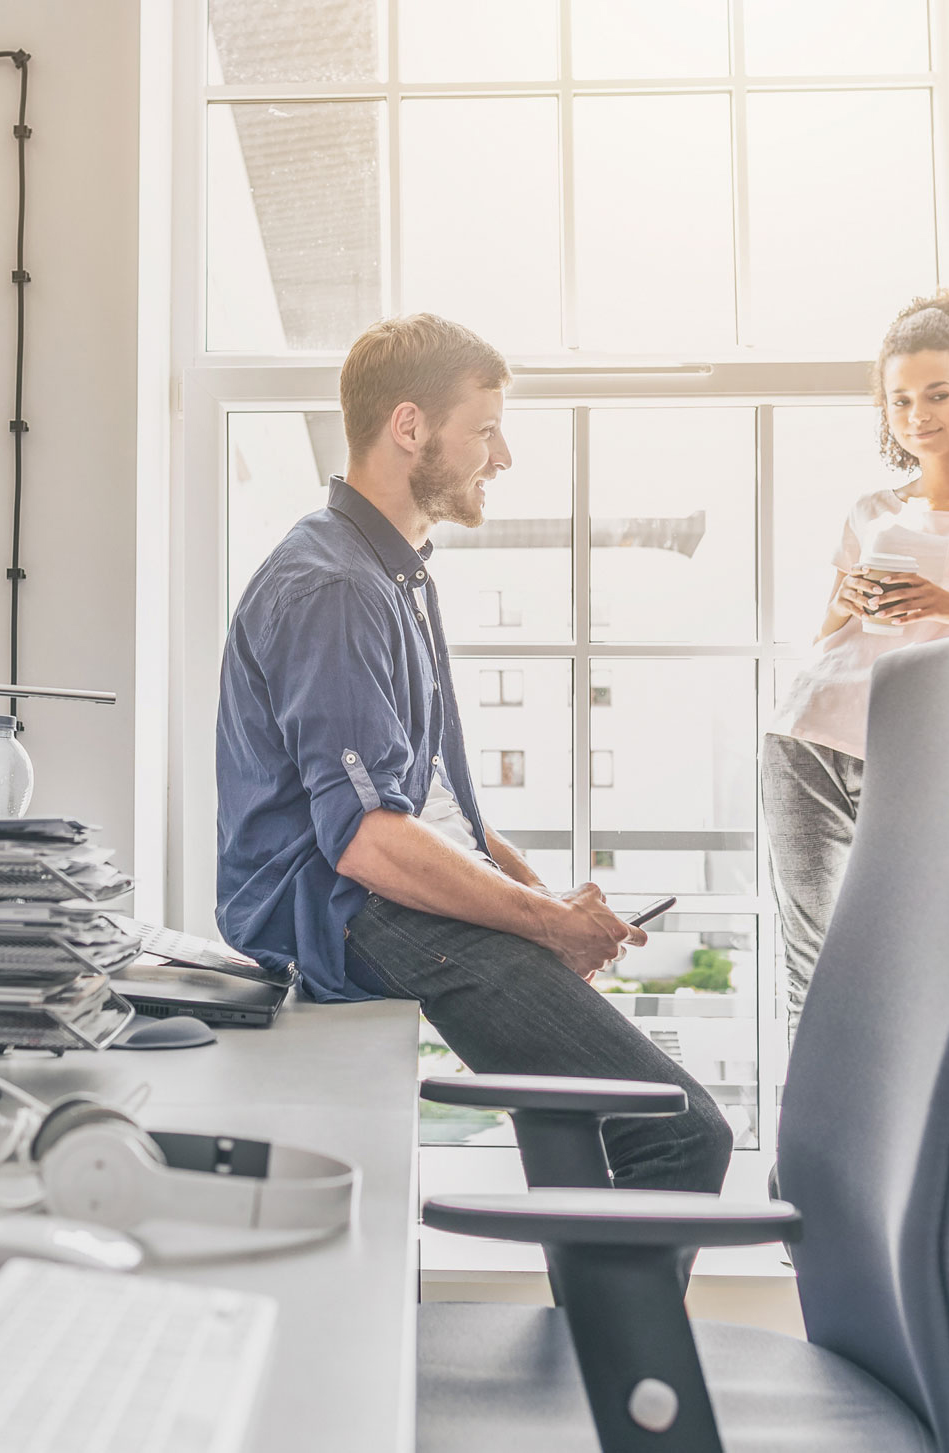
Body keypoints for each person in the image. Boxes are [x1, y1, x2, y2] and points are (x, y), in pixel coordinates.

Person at [215, 313, 732, 1192]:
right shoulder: (336, 587)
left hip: (380, 898)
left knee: (594, 1115)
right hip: (346, 911)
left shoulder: (393, 573)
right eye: (485, 429)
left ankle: (592, 1334)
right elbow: (369, 839)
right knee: (683, 1133)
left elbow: (431, 804)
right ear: (409, 426)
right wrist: (544, 922)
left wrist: (539, 897)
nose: (503, 455)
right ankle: (615, 1338)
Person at [764, 292, 949, 1016]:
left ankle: (904, 1130)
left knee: (920, 967)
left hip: (926, 752)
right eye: (900, 401)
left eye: (936, 395)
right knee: (816, 969)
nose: (918, 414)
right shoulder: (872, 508)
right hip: (811, 736)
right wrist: (855, 596)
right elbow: (830, 635)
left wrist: (946, 604)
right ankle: (820, 1134)